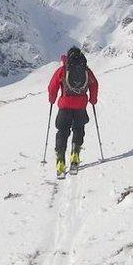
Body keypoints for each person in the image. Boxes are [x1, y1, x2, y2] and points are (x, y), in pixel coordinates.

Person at [47, 46, 99, 176]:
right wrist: (93, 100)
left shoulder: (63, 70)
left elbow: (52, 86)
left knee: (62, 131)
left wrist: (52, 99)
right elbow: (94, 84)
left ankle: (60, 159)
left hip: (64, 106)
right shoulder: (86, 70)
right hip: (80, 106)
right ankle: (75, 154)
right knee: (78, 129)